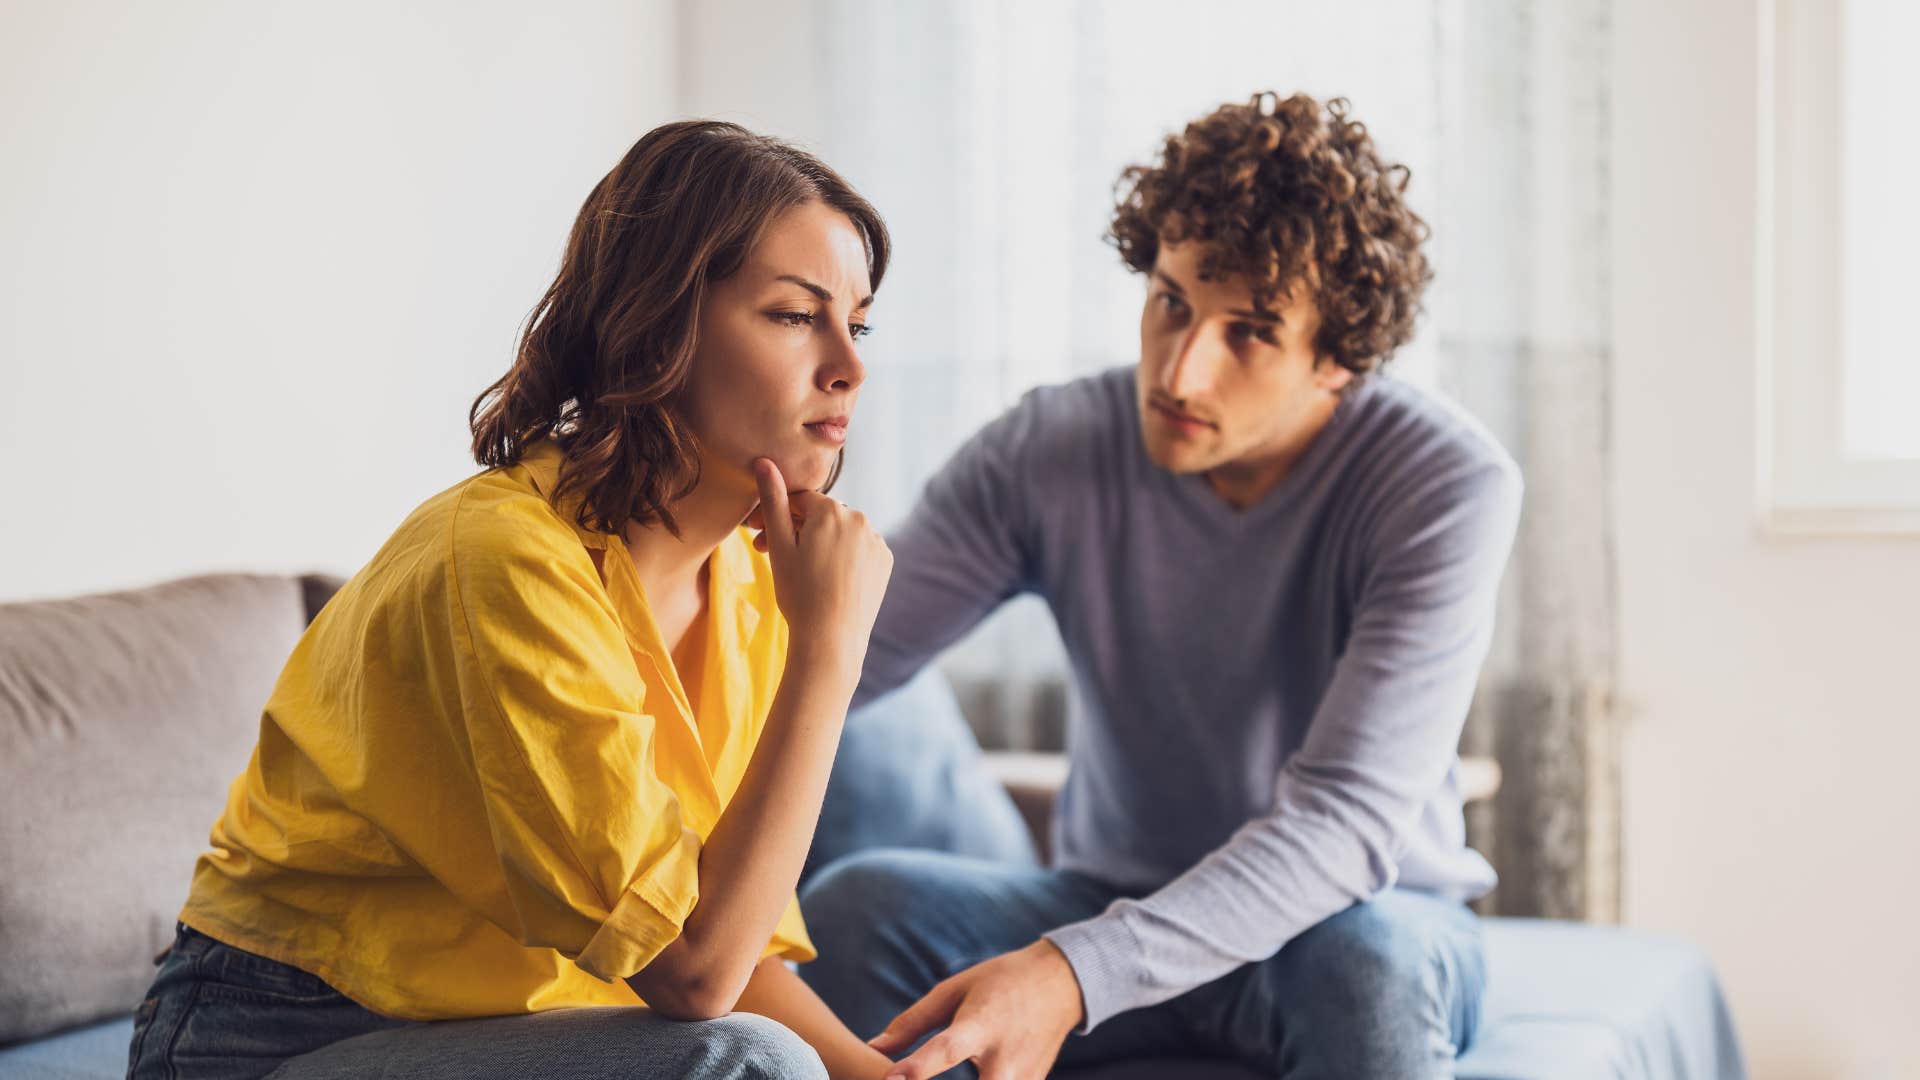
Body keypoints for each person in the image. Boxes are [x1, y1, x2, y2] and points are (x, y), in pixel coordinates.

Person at [129, 120, 903, 1080]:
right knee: (742, 1066)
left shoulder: (750, 583)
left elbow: (737, 948)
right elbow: (698, 979)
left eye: (858, 323)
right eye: (795, 316)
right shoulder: (504, 561)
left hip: (518, 1036)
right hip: (274, 1033)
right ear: (659, 321)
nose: (851, 366)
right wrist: (831, 654)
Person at [799, 92, 1525, 1079]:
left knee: (1368, 969)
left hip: (1346, 917)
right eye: (1172, 302)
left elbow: (1344, 829)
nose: (1181, 373)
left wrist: (1070, 974)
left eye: (1252, 331)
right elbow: (841, 659)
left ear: (1338, 362)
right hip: (1103, 895)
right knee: (855, 912)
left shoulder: (1443, 483)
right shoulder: (1050, 447)